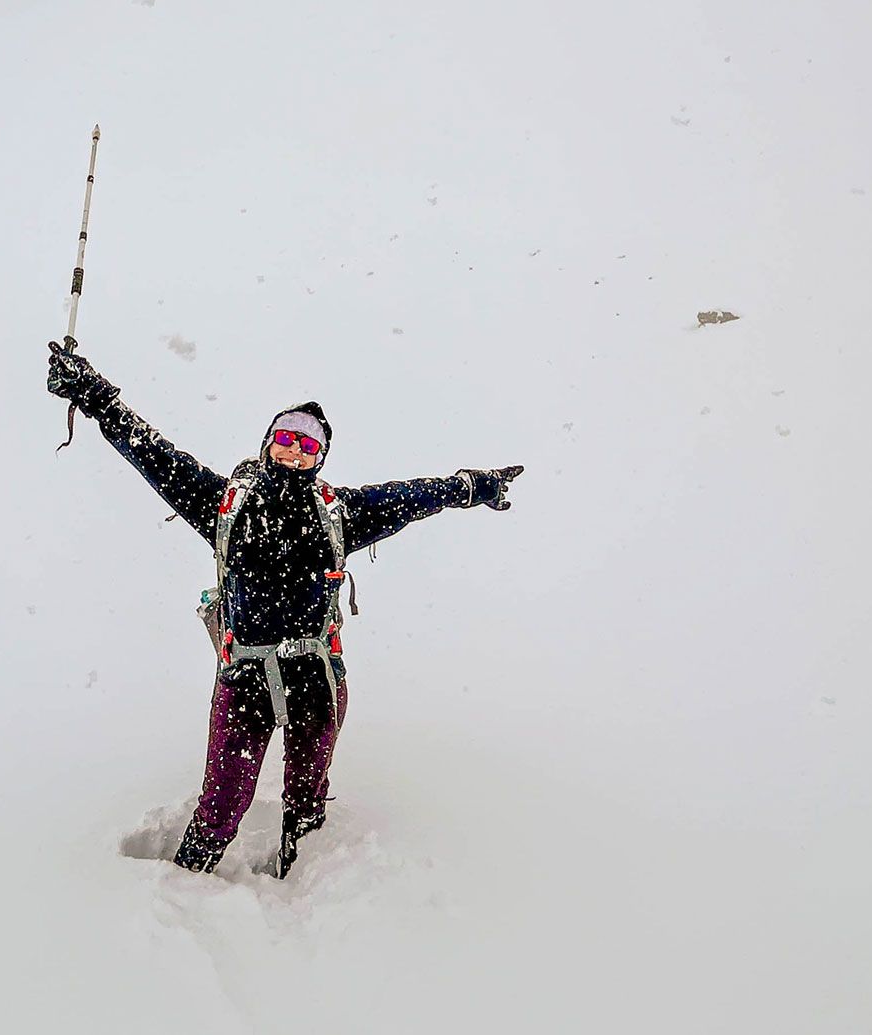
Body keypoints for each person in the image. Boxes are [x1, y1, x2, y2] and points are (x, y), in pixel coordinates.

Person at [46, 340, 522, 878]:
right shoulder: (226, 504)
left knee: (305, 807)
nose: (295, 450)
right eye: (286, 439)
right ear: (269, 443)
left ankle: (304, 898)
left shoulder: (338, 512)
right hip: (245, 679)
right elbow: (151, 452)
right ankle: (176, 893)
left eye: (308, 445)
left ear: (320, 457)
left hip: (316, 683)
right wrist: (90, 391)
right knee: (221, 807)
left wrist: (476, 485)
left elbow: (413, 497)